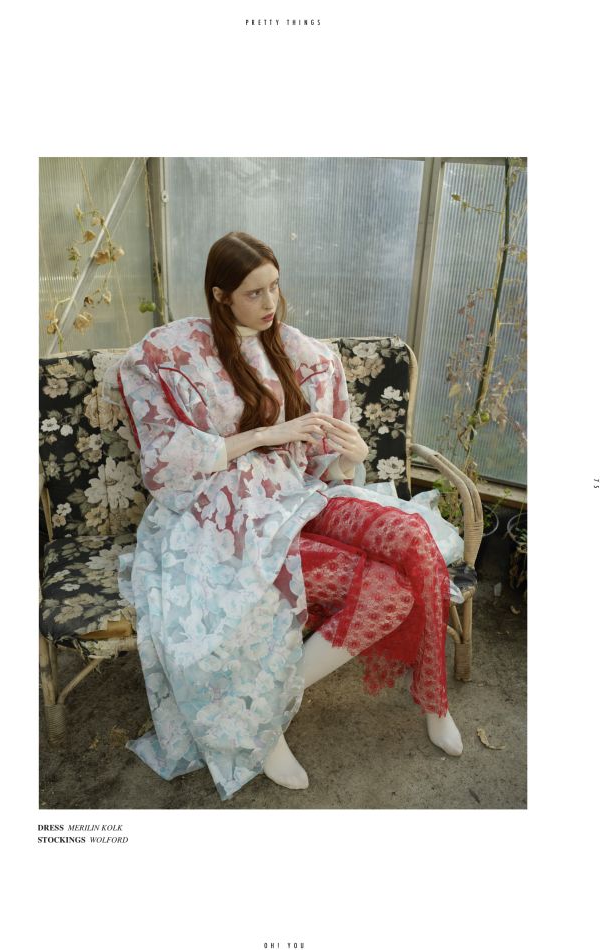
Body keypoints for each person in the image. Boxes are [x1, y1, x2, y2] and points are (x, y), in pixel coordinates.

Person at [111, 231, 463, 802]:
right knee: (387, 592)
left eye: (274, 286)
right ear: (220, 295)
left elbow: (331, 469)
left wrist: (351, 455)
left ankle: (434, 700)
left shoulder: (306, 355)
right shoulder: (172, 353)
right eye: (254, 293)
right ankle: (263, 721)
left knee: (413, 534)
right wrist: (263, 435)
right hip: (225, 516)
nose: (270, 302)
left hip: (303, 496)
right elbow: (164, 460)